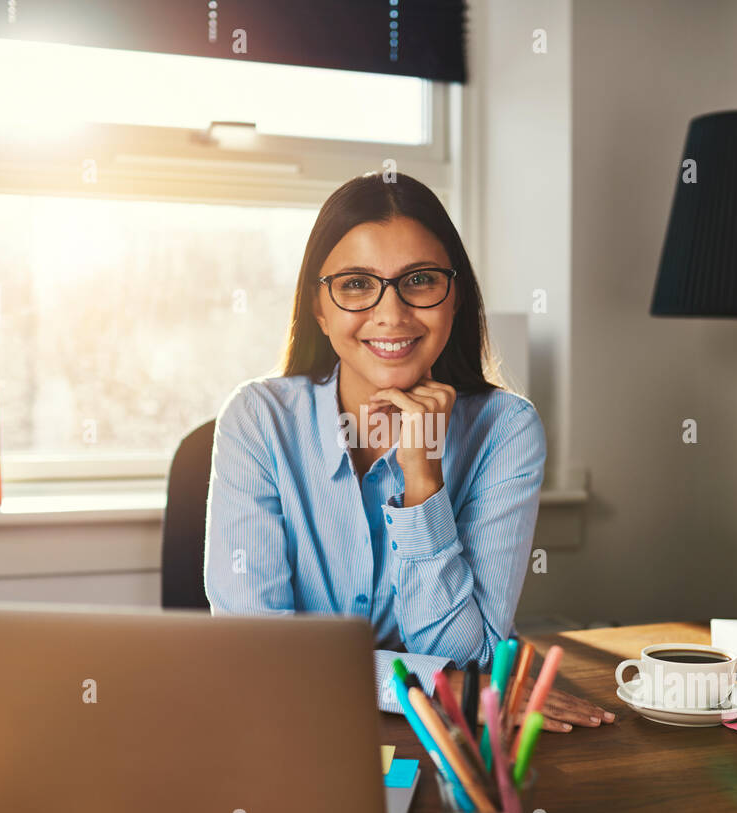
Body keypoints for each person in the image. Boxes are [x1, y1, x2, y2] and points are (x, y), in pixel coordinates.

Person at [205, 171, 611, 732]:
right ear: (319, 310)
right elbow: (260, 654)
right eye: (355, 285)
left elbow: (466, 655)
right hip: (292, 727)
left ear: (455, 296)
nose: (391, 314)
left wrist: (423, 477)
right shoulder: (257, 419)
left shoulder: (507, 428)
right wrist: (440, 685)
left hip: (444, 739)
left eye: (418, 281)